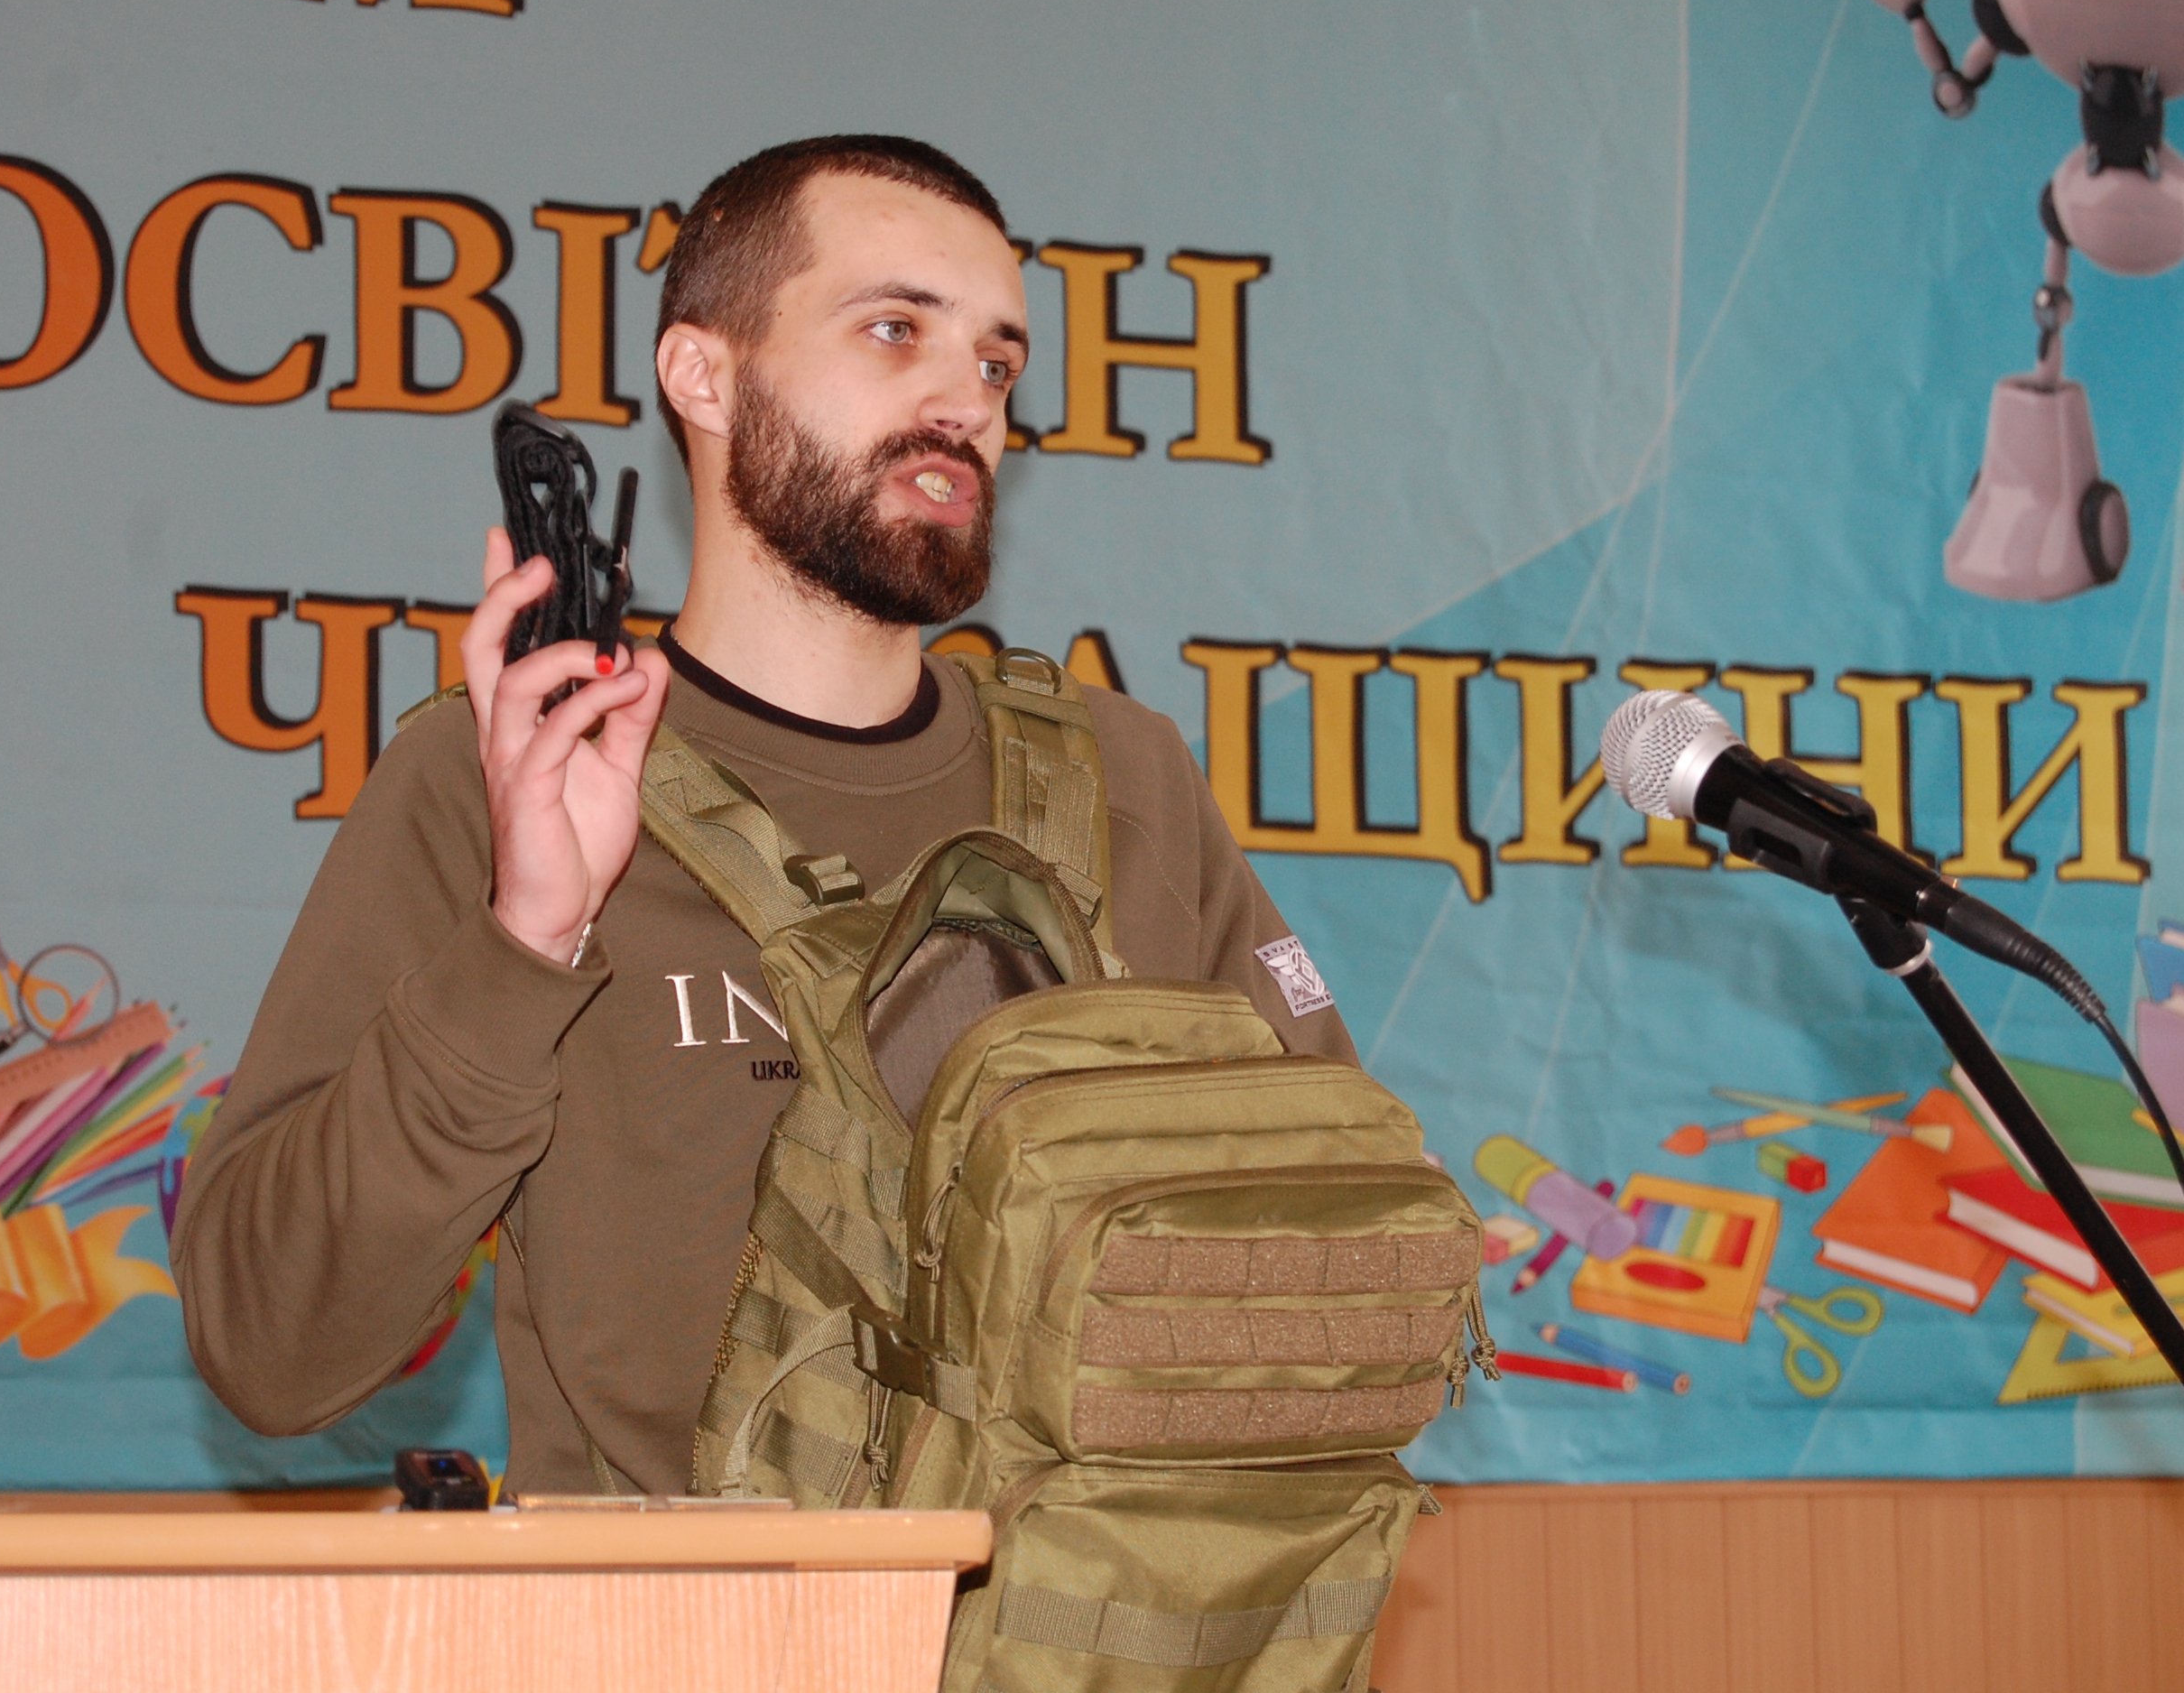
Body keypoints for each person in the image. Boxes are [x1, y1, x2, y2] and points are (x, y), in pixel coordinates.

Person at [172, 135, 1356, 1495]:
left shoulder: (1125, 780)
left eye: (995, 363)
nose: (963, 401)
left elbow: (1347, 1251)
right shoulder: (511, 776)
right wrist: (527, 940)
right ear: (704, 375)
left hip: (1090, 1610)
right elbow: (270, 1351)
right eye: (894, 330)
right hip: (682, 1606)